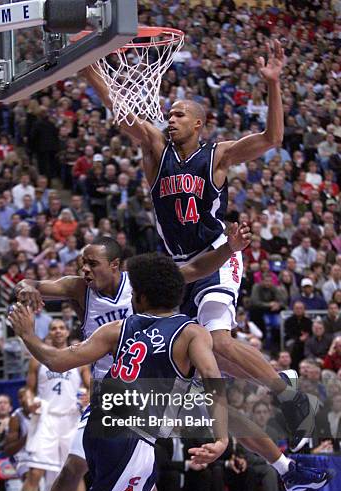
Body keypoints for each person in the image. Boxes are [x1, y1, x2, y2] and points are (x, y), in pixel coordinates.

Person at [13, 233, 330, 491]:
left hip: (159, 381)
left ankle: (288, 469)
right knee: (74, 467)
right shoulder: (78, 288)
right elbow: (33, 283)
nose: (84, 268)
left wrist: (228, 250)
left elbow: (194, 268)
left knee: (226, 411)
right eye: (82, 262)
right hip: (115, 394)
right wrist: (27, 286)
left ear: (116, 266)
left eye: (92, 263)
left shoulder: (144, 281)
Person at [82, 40, 318, 453]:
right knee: (215, 359)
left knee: (220, 343)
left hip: (219, 257)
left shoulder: (218, 156)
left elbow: (273, 136)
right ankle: (286, 386)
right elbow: (122, 112)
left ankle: (292, 399)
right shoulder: (155, 150)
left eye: (179, 114)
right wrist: (86, 69)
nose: (169, 119)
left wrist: (274, 84)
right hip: (180, 268)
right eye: (169, 113)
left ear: (198, 124)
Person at [8, 253, 230, 491]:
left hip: (98, 424)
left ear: (138, 297)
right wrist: (220, 438)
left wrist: (28, 336)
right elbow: (214, 384)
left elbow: (57, 360)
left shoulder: (117, 329)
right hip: (133, 441)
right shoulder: (192, 332)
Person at [11, 319, 90, 491]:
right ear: (50, 333)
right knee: (35, 472)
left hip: (71, 418)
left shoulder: (80, 357)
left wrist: (89, 396)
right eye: (54, 328)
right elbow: (28, 389)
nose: (58, 331)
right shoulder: (39, 359)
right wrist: (28, 402)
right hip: (45, 418)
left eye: (61, 327)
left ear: (66, 332)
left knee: (76, 472)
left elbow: (91, 386)